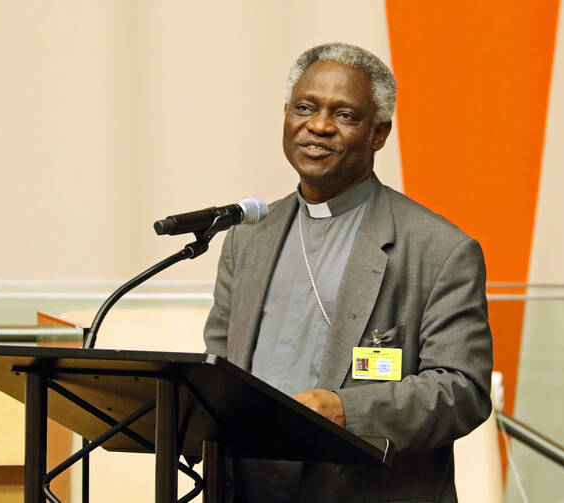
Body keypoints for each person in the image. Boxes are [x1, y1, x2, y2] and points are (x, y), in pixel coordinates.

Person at [204, 42, 493, 503]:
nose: (318, 126)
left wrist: (345, 410)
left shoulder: (439, 249)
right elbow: (218, 363)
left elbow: (463, 390)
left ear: (378, 134)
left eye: (344, 115)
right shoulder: (247, 238)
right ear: (285, 115)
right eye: (304, 107)